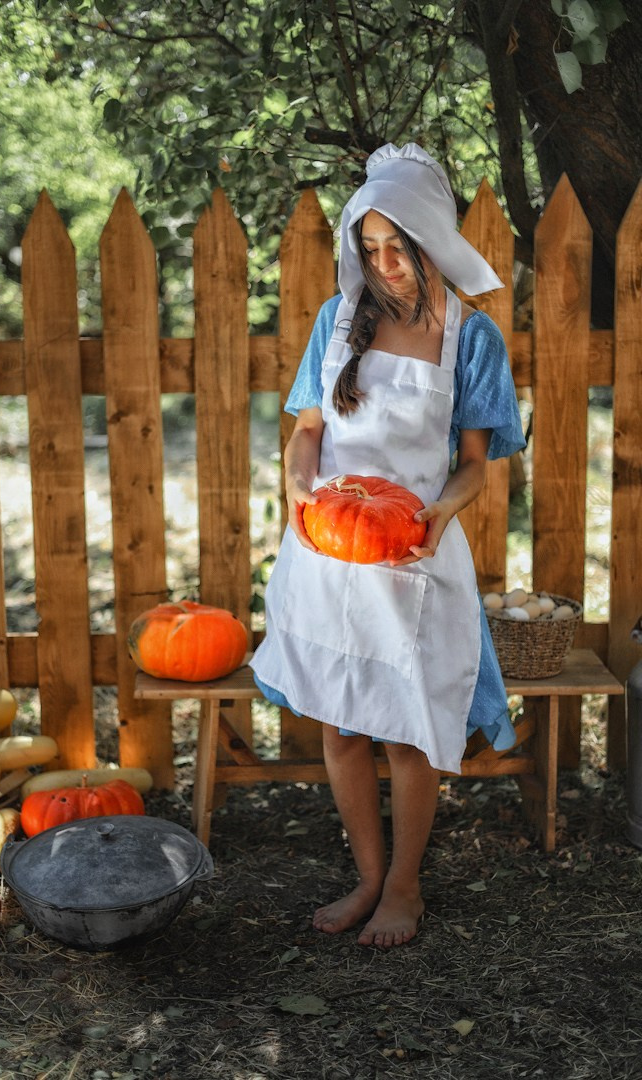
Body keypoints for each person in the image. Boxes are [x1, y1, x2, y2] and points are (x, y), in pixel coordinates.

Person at [250, 143, 526, 949]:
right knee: (340, 726)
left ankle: (404, 886)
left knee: (408, 730)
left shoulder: (470, 339)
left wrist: (438, 515)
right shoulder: (336, 323)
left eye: (396, 248)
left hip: (411, 553)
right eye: (368, 250)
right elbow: (306, 434)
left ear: (430, 238)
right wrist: (301, 492)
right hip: (328, 554)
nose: (383, 265)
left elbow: (475, 466)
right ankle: (366, 876)